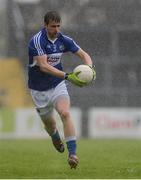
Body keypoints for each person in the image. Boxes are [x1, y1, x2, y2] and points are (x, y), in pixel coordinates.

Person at [28, 11, 96, 169]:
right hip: (39, 89)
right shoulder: (37, 41)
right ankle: (54, 136)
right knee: (50, 125)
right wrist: (68, 76)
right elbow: (44, 66)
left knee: (65, 113)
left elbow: (84, 54)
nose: (56, 29)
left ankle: (72, 154)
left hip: (57, 83)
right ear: (45, 25)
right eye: (53, 26)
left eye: (58, 26)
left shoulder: (63, 39)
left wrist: (90, 69)